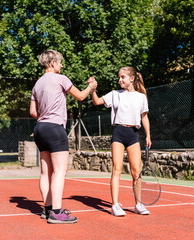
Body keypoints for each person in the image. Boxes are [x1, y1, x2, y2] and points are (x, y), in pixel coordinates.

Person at [30, 49, 97, 224]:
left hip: (40, 128)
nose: (62, 65)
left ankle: (47, 209)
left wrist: (44, 121)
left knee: (45, 172)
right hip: (54, 128)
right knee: (60, 171)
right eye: (60, 62)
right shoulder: (61, 79)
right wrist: (91, 87)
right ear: (52, 63)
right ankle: (57, 212)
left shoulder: (37, 84)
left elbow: (32, 111)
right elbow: (81, 96)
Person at [91, 67, 152, 217]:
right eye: (119, 77)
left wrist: (148, 136)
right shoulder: (115, 94)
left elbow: (144, 117)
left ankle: (138, 204)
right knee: (117, 169)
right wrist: (92, 89)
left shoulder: (141, 97)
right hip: (118, 133)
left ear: (132, 78)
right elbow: (97, 101)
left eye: (123, 77)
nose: (120, 80)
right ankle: (115, 205)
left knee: (136, 171)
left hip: (133, 135)